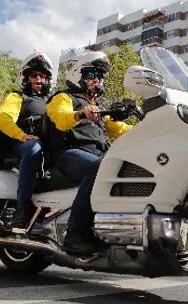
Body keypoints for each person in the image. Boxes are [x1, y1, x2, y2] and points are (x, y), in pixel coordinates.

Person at [45, 51, 132, 256]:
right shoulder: (64, 98)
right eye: (93, 74)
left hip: (96, 154)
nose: (97, 80)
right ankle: (74, 235)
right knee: (100, 168)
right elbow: (60, 118)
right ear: (79, 74)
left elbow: (119, 128)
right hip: (68, 154)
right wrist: (79, 113)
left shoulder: (98, 108)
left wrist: (149, 126)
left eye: (100, 76)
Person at [0, 52, 54, 232]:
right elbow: (3, 118)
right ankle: (23, 209)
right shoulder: (17, 96)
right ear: (26, 77)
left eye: (43, 76)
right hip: (22, 144)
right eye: (34, 75)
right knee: (33, 147)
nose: (39, 79)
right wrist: (21, 135)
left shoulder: (51, 100)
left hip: (47, 144)